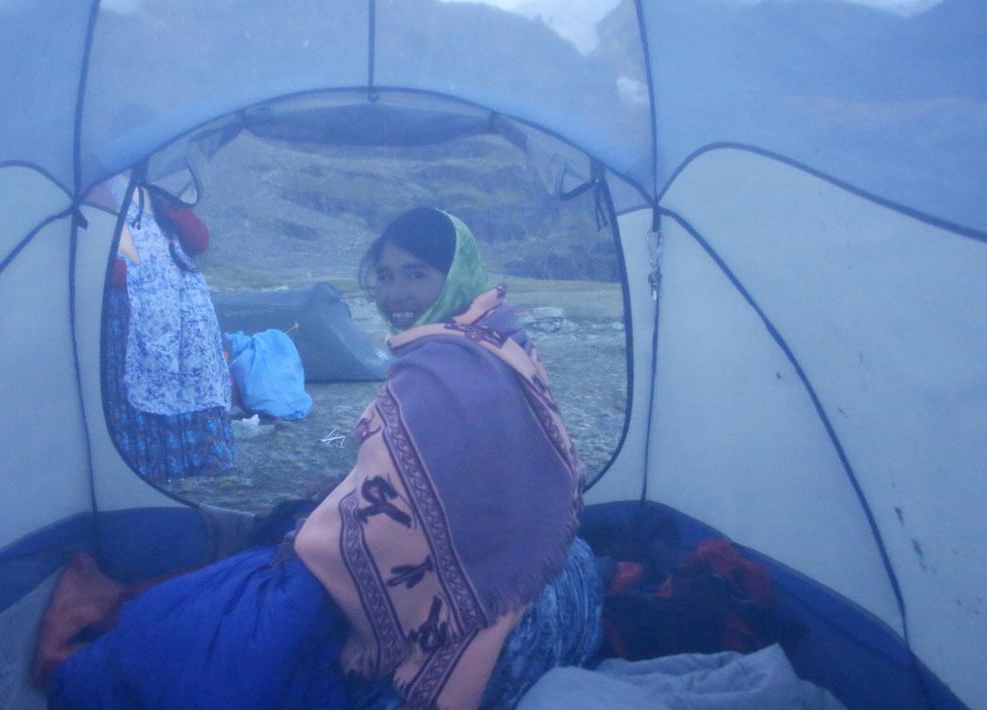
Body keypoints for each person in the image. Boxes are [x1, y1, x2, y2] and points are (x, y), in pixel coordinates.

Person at [43, 207, 601, 709]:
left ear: (454, 275)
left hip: (466, 572)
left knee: (230, 622)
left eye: (416, 274)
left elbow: (398, 512)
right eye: (384, 276)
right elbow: (456, 474)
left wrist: (321, 526)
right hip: (523, 549)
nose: (396, 293)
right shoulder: (496, 339)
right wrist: (348, 484)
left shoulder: (443, 367)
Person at [99, 171, 234, 483]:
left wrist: (174, 206)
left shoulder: (156, 190)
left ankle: (203, 458)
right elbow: (118, 259)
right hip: (139, 305)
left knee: (194, 372)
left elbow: (199, 241)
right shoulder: (100, 189)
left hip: (185, 302)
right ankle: (154, 464)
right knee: (149, 377)